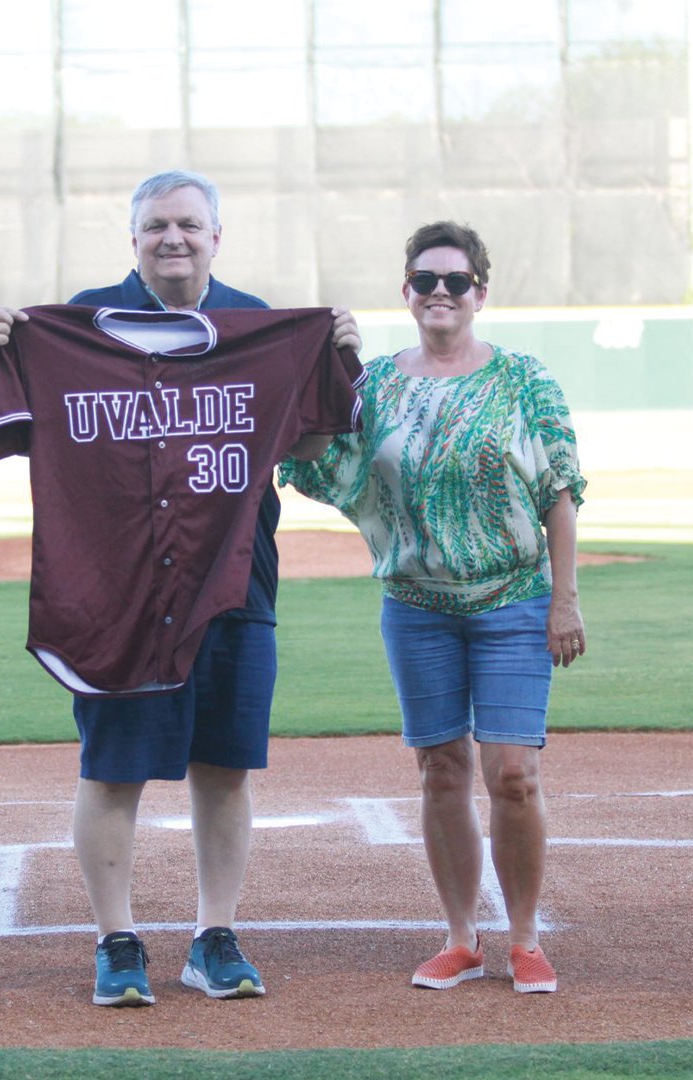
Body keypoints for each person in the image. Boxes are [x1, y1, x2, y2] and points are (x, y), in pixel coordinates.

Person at [0, 170, 363, 1007]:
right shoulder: (70, 328)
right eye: (156, 226)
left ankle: (212, 937)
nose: (173, 239)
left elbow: (319, 445)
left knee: (223, 766)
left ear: (216, 236)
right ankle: (117, 942)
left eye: (189, 224)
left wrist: (337, 352)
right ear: (134, 239)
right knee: (112, 767)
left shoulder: (257, 326)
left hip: (234, 580)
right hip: (112, 589)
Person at [280, 221, 587, 994]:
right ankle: (460, 936)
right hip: (417, 606)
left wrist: (565, 601)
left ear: (481, 293)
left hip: (514, 601)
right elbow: (320, 462)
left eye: (456, 281)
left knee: (512, 774)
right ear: (407, 293)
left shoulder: (523, 380)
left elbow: (559, 493)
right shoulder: (376, 384)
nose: (440, 293)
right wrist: (323, 369)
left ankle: (524, 939)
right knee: (442, 771)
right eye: (426, 281)